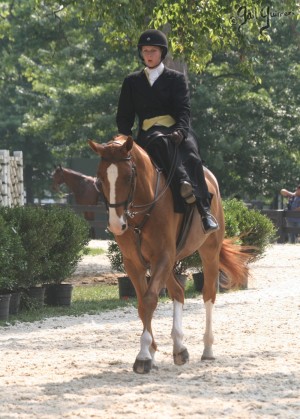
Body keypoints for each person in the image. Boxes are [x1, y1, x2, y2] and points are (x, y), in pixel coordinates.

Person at [116, 29, 218, 233]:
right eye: (145, 51)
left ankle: (204, 210)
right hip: (147, 133)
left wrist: (181, 130)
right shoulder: (131, 81)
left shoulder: (175, 79)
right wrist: (125, 138)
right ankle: (119, 214)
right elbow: (124, 115)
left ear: (161, 53)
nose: (149, 55)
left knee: (193, 157)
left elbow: (183, 109)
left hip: (176, 130)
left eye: (153, 50)